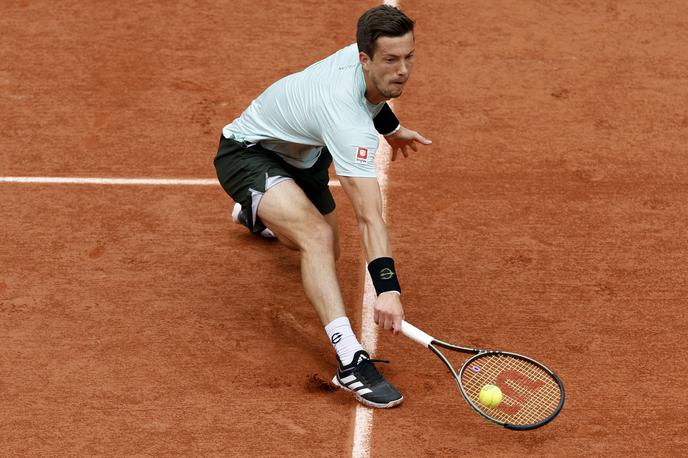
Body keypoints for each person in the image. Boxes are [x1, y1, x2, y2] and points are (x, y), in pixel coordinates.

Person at [214, 5, 431, 409]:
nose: (402, 70)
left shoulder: (361, 62)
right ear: (364, 57)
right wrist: (388, 289)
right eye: (390, 60)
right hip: (250, 154)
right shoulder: (344, 119)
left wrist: (393, 129)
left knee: (328, 251)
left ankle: (256, 214)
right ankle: (349, 360)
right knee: (314, 237)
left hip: (305, 155)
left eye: (408, 57)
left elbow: (373, 97)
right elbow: (369, 217)